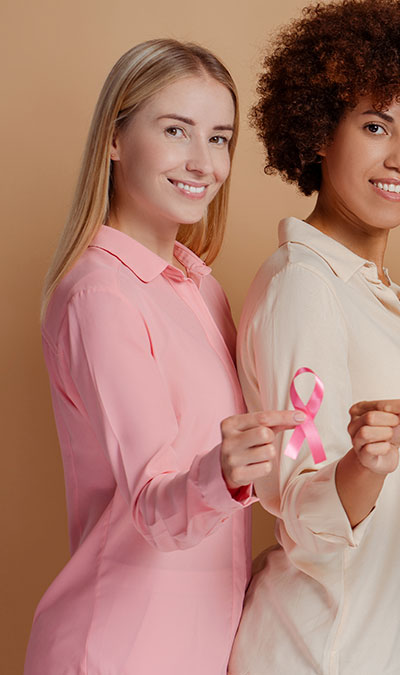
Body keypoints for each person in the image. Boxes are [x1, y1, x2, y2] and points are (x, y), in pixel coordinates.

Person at [227, 2, 400, 673]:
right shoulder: (304, 284)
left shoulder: (374, 293)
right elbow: (304, 512)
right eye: (376, 125)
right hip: (325, 653)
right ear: (320, 131)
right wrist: (362, 466)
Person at [28, 39, 300, 674]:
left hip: (202, 646)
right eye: (176, 130)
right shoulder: (101, 294)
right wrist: (227, 472)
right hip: (119, 650)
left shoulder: (199, 286)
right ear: (116, 140)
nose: (202, 161)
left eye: (220, 137)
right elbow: (154, 507)